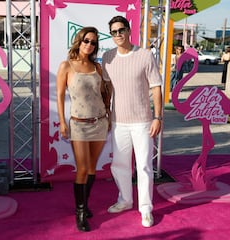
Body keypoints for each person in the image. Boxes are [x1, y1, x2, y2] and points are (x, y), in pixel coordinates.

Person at [101, 15, 163, 228]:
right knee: (119, 165)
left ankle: (145, 209)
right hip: (119, 122)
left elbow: (156, 87)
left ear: (129, 31)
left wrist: (158, 116)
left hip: (143, 122)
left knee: (144, 166)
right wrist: (108, 114)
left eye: (121, 30)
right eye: (113, 32)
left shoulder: (145, 55)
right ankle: (125, 200)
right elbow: (108, 89)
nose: (117, 35)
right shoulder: (107, 57)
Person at [56, 26, 110, 232]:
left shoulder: (97, 68)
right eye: (86, 40)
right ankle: (80, 213)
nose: (89, 45)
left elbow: (105, 93)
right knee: (83, 169)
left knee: (93, 168)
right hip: (78, 124)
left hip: (100, 122)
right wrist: (62, 122)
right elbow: (60, 96)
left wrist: (109, 114)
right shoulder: (66, 66)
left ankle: (84, 205)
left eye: (94, 42)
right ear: (79, 41)